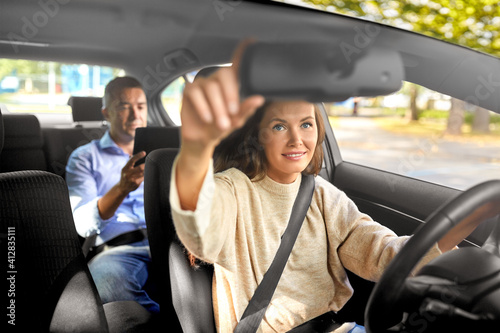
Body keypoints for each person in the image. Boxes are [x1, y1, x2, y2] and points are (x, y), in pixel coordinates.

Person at [169, 42, 480, 332]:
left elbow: (382, 253)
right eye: (279, 126)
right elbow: (201, 234)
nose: (297, 140)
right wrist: (197, 149)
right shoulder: (232, 189)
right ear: (256, 135)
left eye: (306, 124)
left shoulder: (321, 194)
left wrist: (471, 218)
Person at [66, 76, 158, 313]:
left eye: (140, 106)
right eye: (124, 106)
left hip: (168, 239)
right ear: (106, 113)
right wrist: (121, 188)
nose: (135, 115)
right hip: (118, 248)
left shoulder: (164, 152)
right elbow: (82, 223)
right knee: (107, 283)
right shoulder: (84, 157)